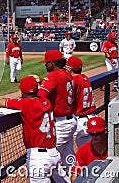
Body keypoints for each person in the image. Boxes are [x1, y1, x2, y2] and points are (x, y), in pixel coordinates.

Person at [0, 76, 62, 182]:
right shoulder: (46, 101)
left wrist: (19, 99)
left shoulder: (24, 104)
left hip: (39, 159)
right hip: (54, 155)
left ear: (22, 92)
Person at [32, 50, 77, 179]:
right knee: (69, 158)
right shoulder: (67, 73)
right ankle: (79, 178)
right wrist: (42, 81)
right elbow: (59, 87)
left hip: (61, 124)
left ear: (52, 64)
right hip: (70, 121)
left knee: (51, 159)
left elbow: (40, 96)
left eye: (47, 63)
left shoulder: (53, 76)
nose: (45, 66)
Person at [66, 56, 96, 148]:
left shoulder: (74, 80)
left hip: (82, 121)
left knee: (85, 153)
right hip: (92, 117)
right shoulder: (85, 77)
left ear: (70, 69)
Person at [70, 117, 108, 182]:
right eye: (92, 134)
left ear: (105, 131)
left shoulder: (114, 147)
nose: (94, 136)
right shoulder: (82, 150)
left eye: (98, 133)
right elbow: (75, 175)